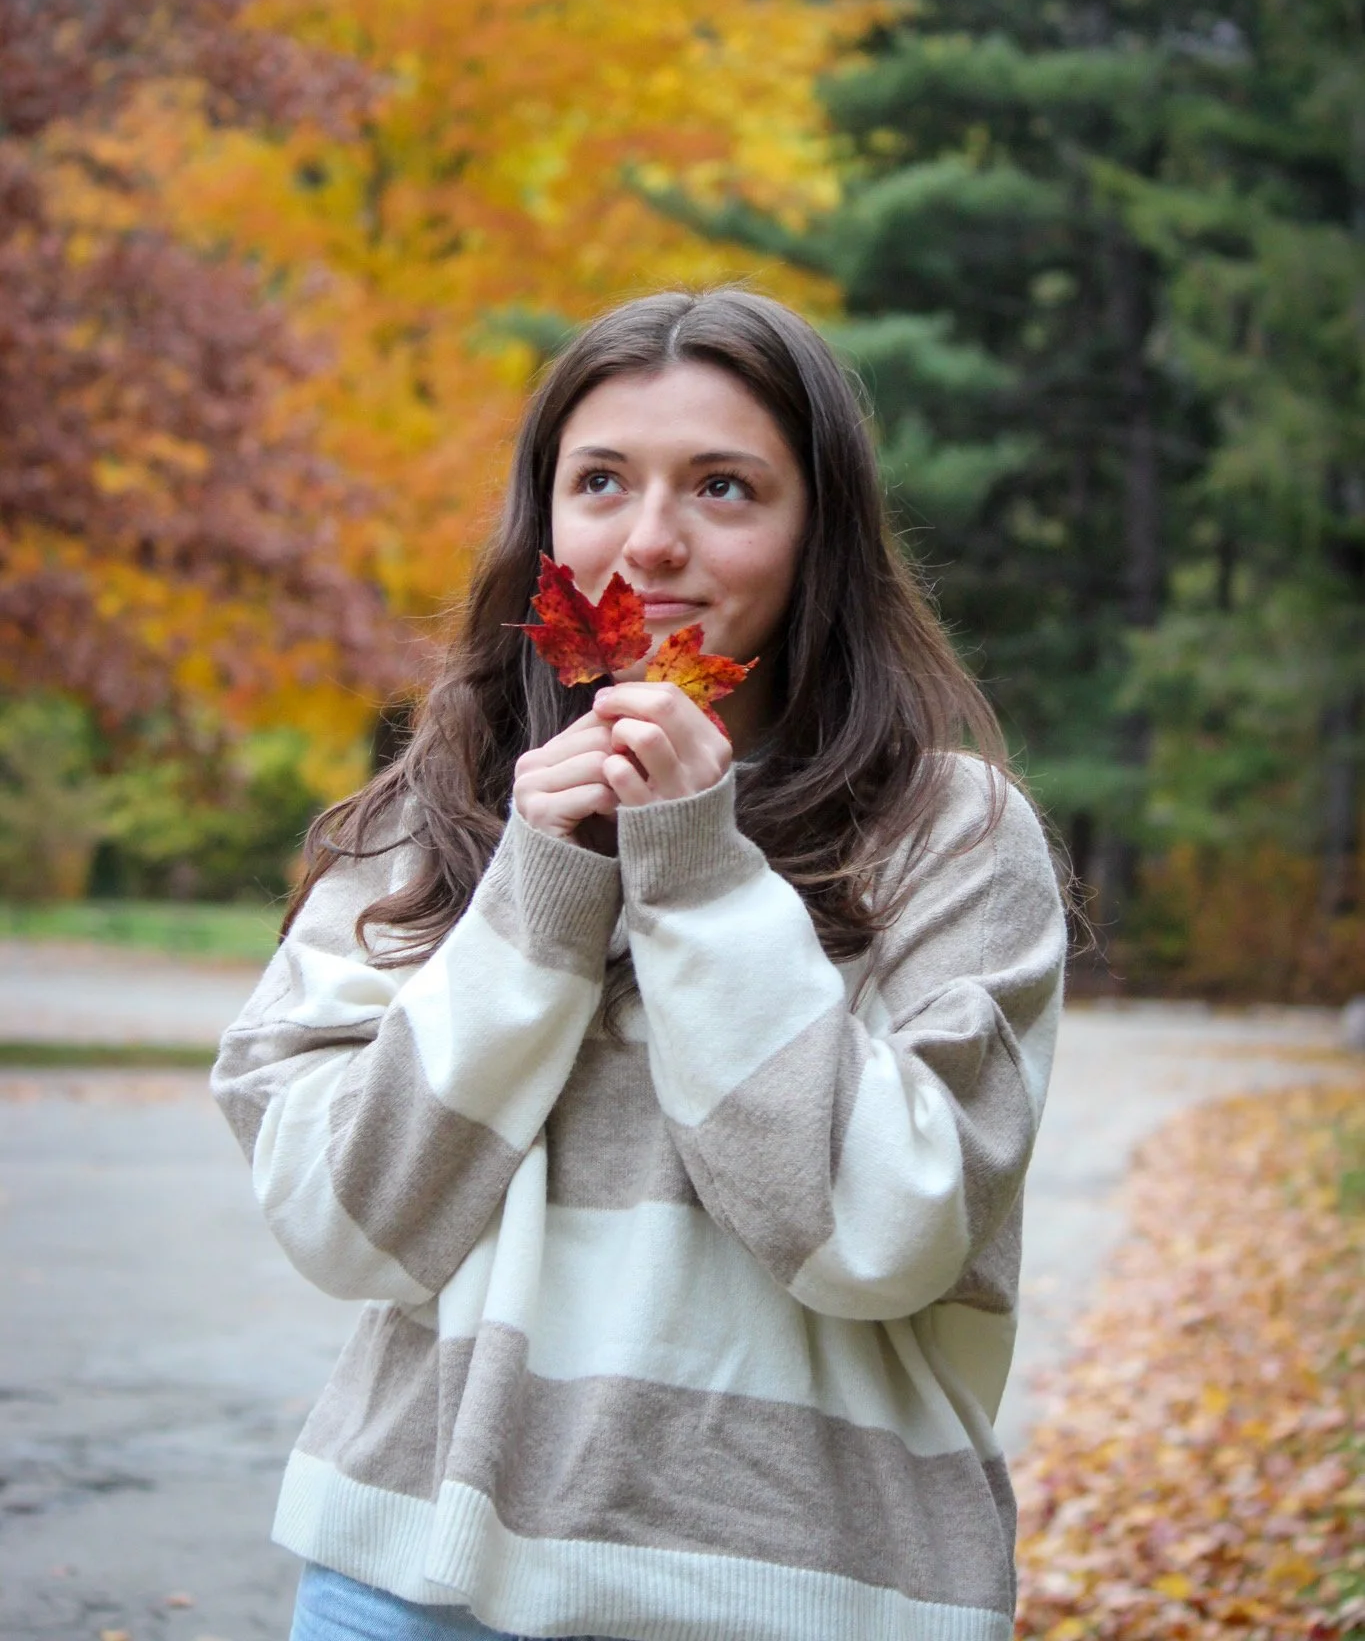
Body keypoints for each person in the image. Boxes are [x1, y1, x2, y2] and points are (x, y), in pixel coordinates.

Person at [212, 287, 1066, 1641]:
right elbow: (347, 1221)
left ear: (818, 533)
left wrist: (698, 869)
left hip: (801, 1593)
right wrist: (541, 892)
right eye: (600, 480)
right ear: (543, 519)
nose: (652, 540)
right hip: (410, 1585)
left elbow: (887, 1235)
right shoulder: (425, 822)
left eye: (725, 487)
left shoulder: (948, 833)